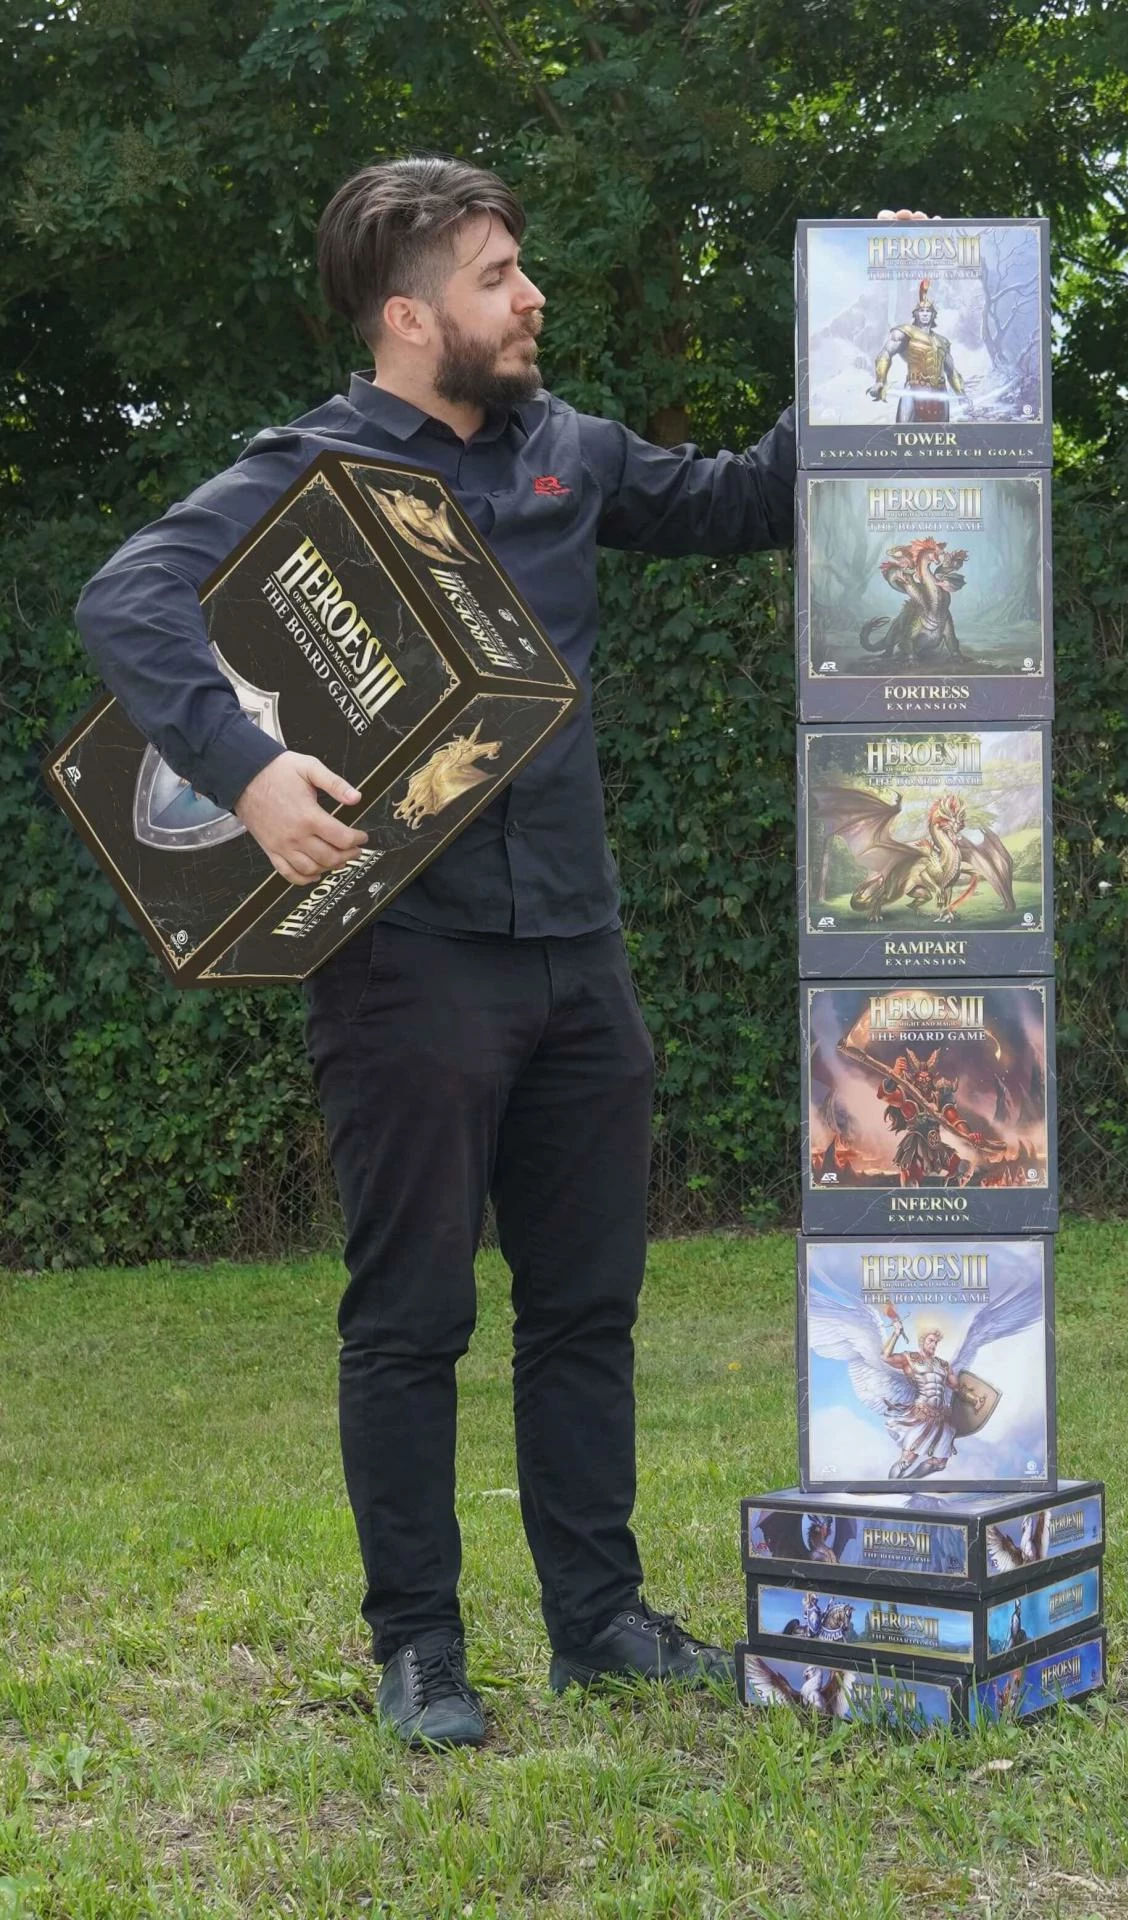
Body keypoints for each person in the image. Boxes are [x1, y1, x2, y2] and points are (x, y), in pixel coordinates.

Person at [73, 152, 927, 1749]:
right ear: (408, 318)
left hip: (578, 953)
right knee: (410, 1321)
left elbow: (751, 497)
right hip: (406, 963)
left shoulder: (569, 452)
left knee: (586, 1306)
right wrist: (247, 772)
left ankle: (598, 1626)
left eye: (520, 268)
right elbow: (128, 600)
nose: (530, 297)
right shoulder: (311, 470)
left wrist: (866, 320)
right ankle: (419, 1653)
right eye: (494, 278)